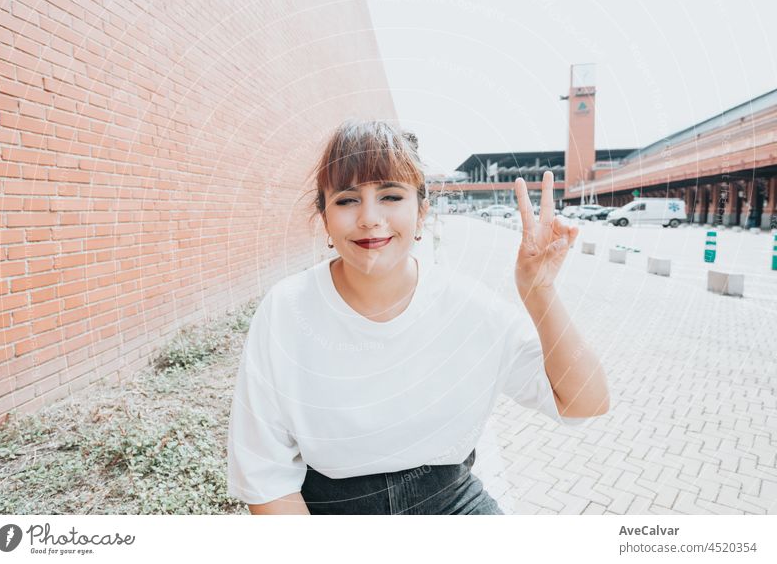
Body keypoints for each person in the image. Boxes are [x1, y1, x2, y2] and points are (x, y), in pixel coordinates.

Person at [227, 119, 610, 515]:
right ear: (324, 216)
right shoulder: (287, 310)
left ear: (422, 211)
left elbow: (585, 402)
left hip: (451, 505)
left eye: (391, 196)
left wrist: (540, 292)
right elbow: (266, 476)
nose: (370, 218)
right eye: (346, 200)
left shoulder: (469, 307)